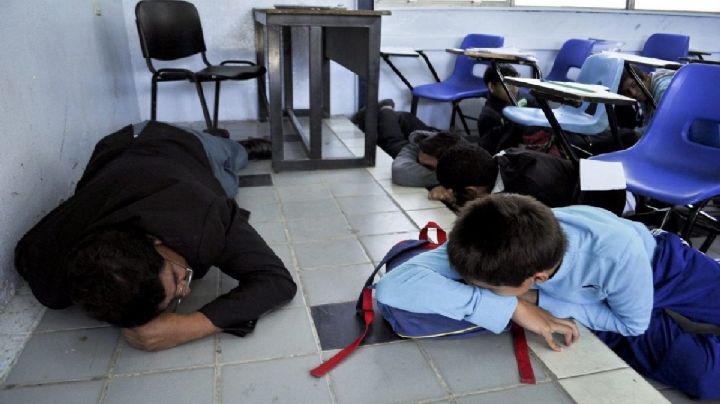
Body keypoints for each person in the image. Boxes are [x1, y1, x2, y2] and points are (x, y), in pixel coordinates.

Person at [376, 193, 720, 399]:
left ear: (536, 278)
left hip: (662, 266)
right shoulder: (491, 237)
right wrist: (513, 305)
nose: (478, 289)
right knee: (703, 377)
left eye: (487, 288)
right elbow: (392, 287)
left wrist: (540, 303)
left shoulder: (614, 253)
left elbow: (631, 324)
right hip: (599, 296)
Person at [14, 121, 297, 351]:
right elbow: (25, 253)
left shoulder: (202, 214)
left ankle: (226, 140)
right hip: (120, 155)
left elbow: (277, 281)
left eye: (177, 278)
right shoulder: (49, 270)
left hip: (178, 142)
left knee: (230, 166)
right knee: (223, 184)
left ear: (153, 240)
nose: (185, 291)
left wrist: (191, 326)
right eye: (176, 295)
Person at [435, 144, 630, 215]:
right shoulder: (506, 157)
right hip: (603, 176)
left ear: (472, 190)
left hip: (615, 201)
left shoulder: (523, 196)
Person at [392, 131, 465, 201]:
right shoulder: (423, 144)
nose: (417, 168)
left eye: (428, 167)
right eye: (417, 161)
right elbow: (400, 172)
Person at [618, 68, 675, 133]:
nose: (633, 93)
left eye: (633, 85)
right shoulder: (646, 92)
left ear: (645, 76)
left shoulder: (665, 91)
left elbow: (666, 128)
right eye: (627, 92)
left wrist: (634, 135)